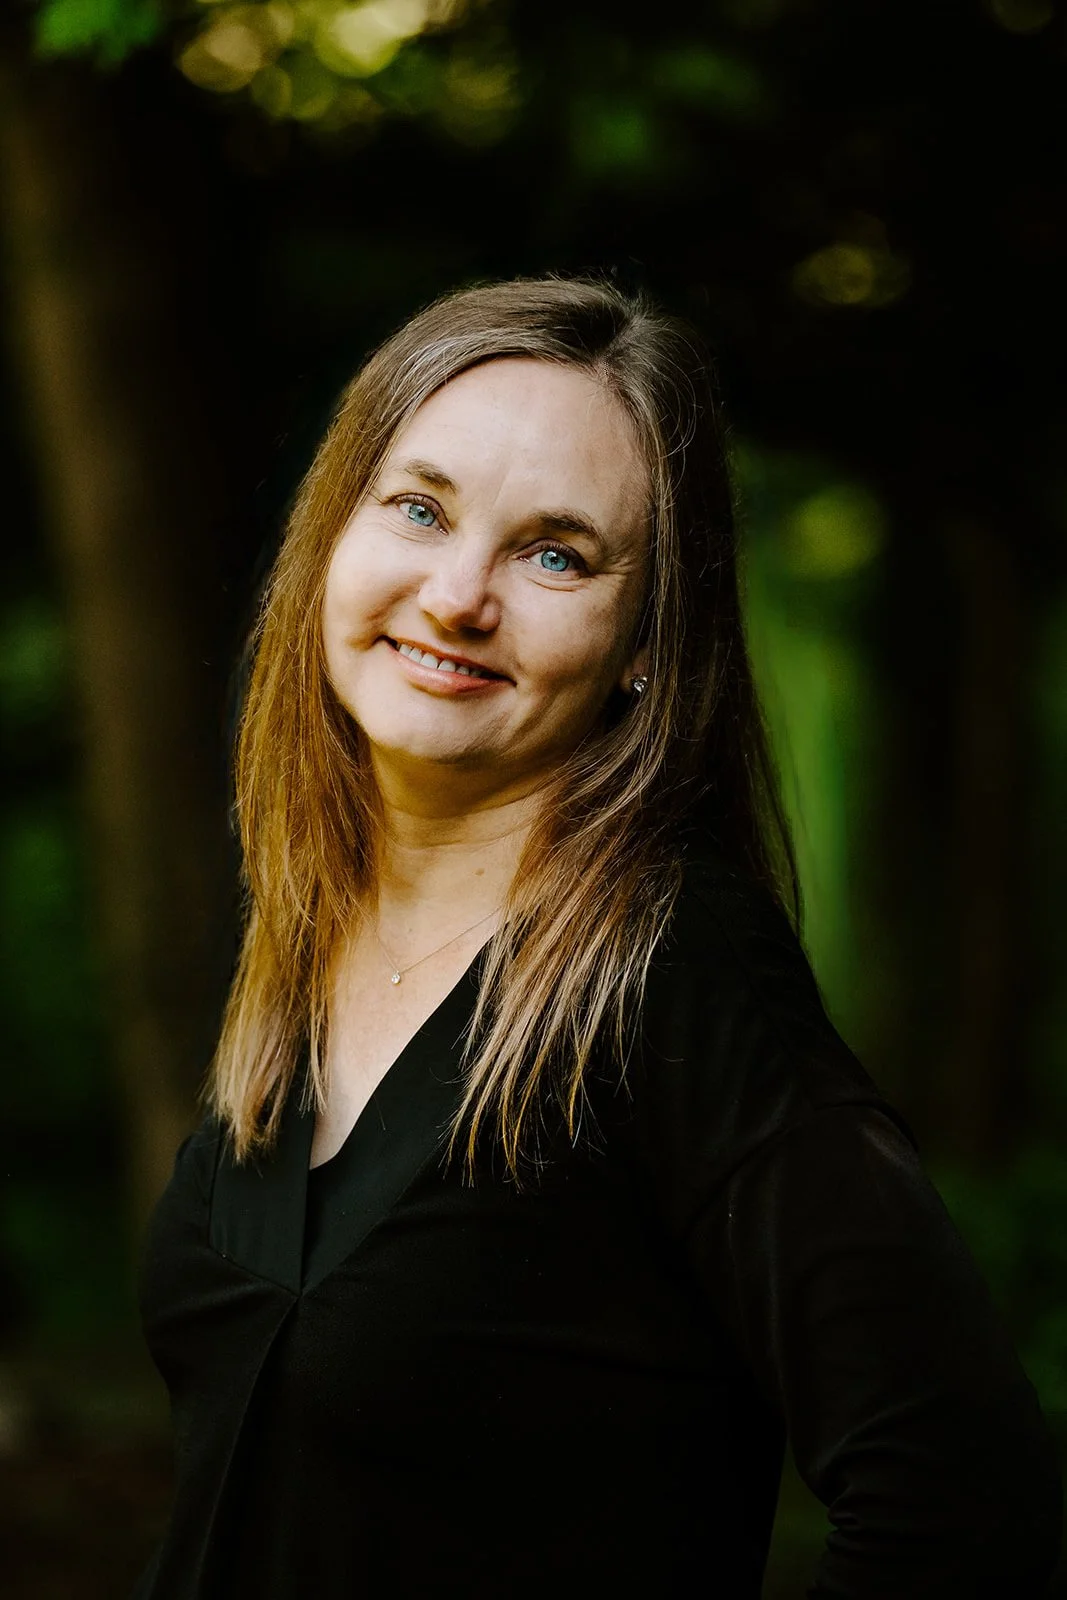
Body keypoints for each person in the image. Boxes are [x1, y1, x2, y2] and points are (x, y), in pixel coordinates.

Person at [133, 275, 1062, 1599]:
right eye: (419, 508)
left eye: (555, 554)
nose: (457, 594)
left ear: (644, 643)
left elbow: (966, 1503)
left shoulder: (674, 972)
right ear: (332, 533)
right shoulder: (307, 935)